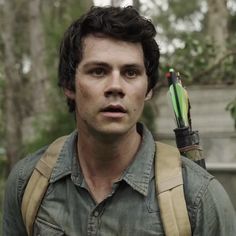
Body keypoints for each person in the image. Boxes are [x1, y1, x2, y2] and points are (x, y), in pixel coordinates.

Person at [3, 5, 236, 236]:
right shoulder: (28, 183)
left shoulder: (198, 198)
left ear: (148, 89)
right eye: (98, 71)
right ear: (68, 85)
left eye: (131, 73)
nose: (115, 86)